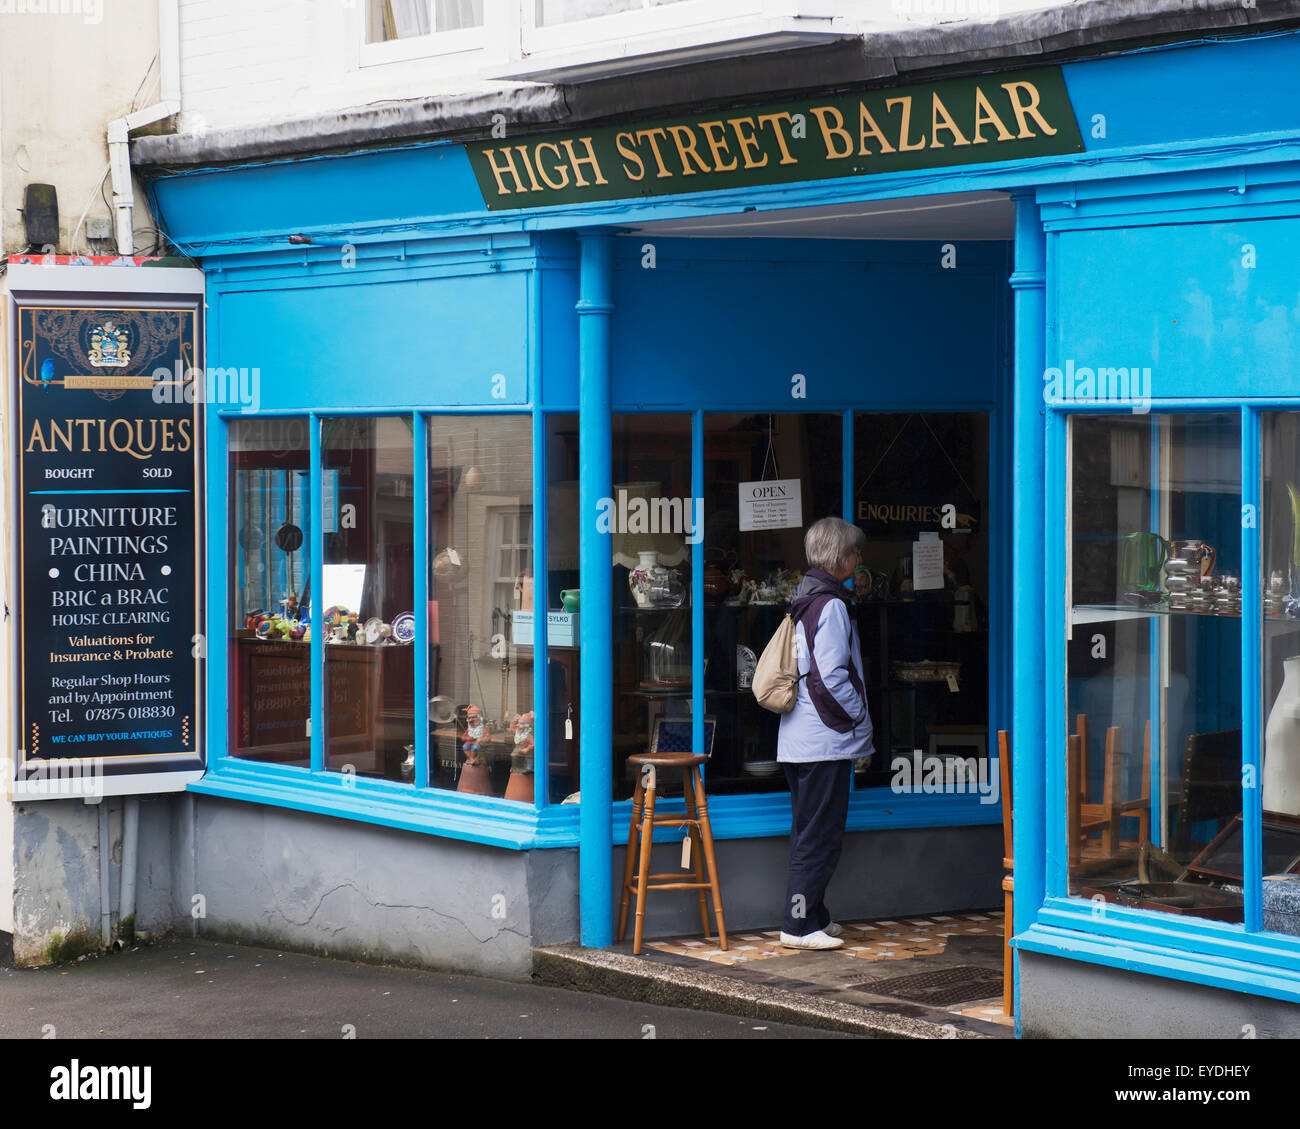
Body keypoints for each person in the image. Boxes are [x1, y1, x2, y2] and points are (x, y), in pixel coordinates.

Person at [778, 516, 874, 950]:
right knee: (818, 837)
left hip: (801, 739)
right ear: (841, 558)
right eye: (856, 552)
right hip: (823, 740)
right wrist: (857, 717)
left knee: (810, 831)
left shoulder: (806, 596)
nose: (859, 559)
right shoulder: (831, 605)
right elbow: (830, 675)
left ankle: (814, 915)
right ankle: (797, 925)